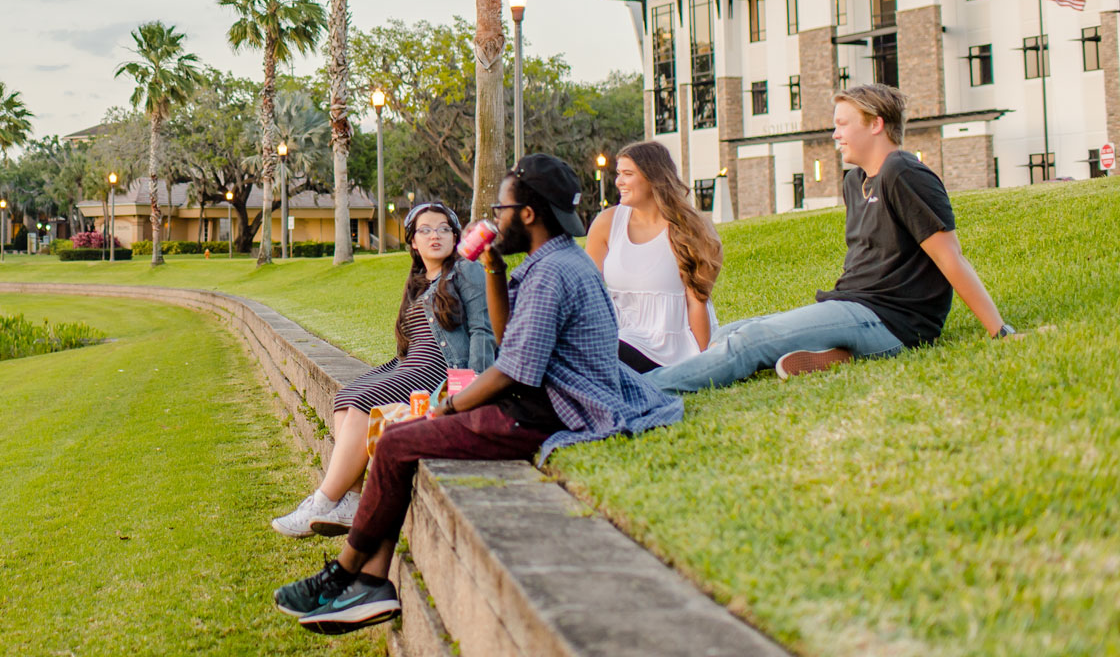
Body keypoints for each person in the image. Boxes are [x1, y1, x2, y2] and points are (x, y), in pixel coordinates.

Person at [272, 156, 682, 634]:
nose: (494, 216)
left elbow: (512, 369)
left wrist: (445, 409)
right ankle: (370, 583)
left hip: (552, 411)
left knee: (397, 442)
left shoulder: (553, 274)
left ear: (527, 214)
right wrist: (492, 268)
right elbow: (512, 338)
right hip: (540, 400)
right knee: (400, 441)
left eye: (501, 206)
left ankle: (346, 576)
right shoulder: (550, 261)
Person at [647, 84, 1018, 395]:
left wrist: (999, 330)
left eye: (843, 124)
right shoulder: (854, 182)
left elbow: (950, 256)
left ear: (876, 124)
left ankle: (643, 390)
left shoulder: (902, 172)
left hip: (893, 320)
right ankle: (835, 351)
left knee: (750, 341)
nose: (835, 134)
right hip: (851, 304)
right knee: (729, 332)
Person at [271, 201, 496, 539]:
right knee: (346, 397)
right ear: (413, 244)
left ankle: (322, 501)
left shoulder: (466, 271)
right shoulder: (419, 283)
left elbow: (482, 329)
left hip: (441, 369)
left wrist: (472, 386)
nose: (435, 235)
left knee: (368, 401)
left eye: (443, 228)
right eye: (425, 230)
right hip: (411, 365)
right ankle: (351, 500)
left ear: (455, 236)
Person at [584, 140, 724, 371]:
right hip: (618, 335)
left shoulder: (690, 230)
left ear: (653, 178)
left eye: (628, 174)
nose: (619, 181)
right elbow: (587, 292)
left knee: (601, 358)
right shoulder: (606, 223)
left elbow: (697, 302)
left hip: (669, 347)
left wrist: (702, 363)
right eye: (618, 173)